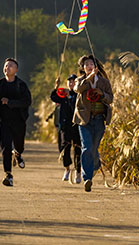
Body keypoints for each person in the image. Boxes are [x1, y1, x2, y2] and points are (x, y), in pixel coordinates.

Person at [0, 58, 32, 187]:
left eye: (10, 66)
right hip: (4, 122)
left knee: (19, 145)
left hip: (19, 121)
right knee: (6, 148)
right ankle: (8, 175)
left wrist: (10, 102)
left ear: (16, 70)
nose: (7, 68)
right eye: (6, 66)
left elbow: (27, 102)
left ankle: (18, 154)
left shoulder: (21, 85)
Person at [73, 54, 113, 192]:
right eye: (86, 65)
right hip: (84, 120)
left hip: (99, 119)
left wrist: (101, 93)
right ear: (83, 68)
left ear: (96, 67)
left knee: (94, 148)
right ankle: (87, 178)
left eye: (91, 64)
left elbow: (110, 98)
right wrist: (89, 78)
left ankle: (96, 165)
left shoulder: (104, 82)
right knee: (87, 147)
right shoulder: (79, 80)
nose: (89, 66)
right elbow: (78, 89)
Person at [50, 73, 81, 184]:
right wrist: (56, 86)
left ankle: (78, 171)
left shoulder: (79, 95)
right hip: (64, 126)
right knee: (64, 149)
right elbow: (53, 97)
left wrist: (69, 97)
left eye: (73, 82)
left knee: (78, 149)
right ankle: (67, 169)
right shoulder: (62, 94)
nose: (71, 84)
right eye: (69, 82)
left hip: (76, 126)